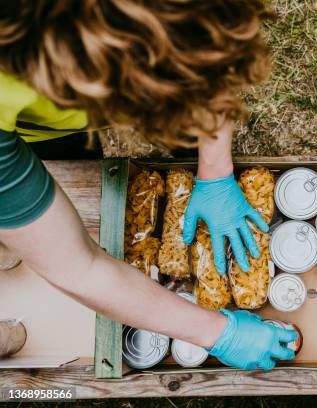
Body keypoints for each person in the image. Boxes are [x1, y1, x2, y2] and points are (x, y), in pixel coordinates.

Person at [0, 0, 296, 370]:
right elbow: (78, 267)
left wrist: (216, 170)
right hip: (29, 126)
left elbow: (211, 55)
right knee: (67, 160)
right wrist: (216, 333)